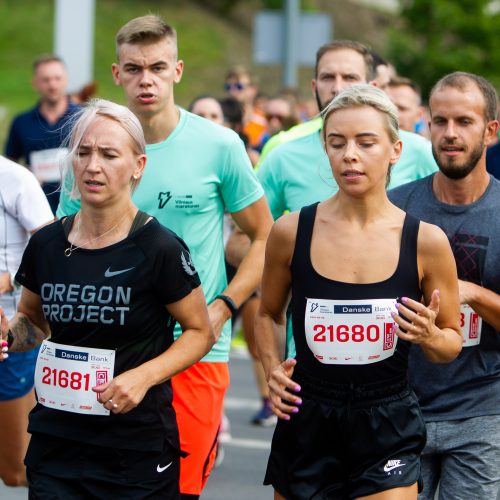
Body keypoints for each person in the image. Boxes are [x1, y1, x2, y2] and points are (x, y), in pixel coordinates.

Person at [57, 15, 273, 499]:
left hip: (192, 348)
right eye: (133, 69)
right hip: (104, 348)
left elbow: (265, 236)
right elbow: (64, 245)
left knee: (176, 490)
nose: (145, 80)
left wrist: (225, 306)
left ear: (177, 70)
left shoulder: (219, 145)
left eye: (157, 67)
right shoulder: (92, 148)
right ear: (117, 74)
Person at [0, 98, 215, 499]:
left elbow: (200, 332)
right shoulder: (47, 243)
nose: (92, 166)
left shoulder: (160, 247)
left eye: (108, 154)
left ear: (138, 166)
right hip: (57, 442)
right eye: (83, 152)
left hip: (132, 447)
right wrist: (7, 338)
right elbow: (34, 323)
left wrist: (143, 376)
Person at [255, 84, 462, 500]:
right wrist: (271, 369)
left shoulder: (426, 241)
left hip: (387, 420)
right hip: (308, 413)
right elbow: (268, 313)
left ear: (395, 150)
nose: (350, 154)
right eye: (337, 142)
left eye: (366, 142)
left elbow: (451, 343)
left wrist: (430, 336)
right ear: (325, 150)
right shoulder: (291, 231)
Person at [389, 72, 500, 500]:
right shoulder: (397, 207)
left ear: (490, 130)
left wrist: (468, 292)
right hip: (400, 406)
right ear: (426, 126)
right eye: (440, 122)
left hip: (481, 410)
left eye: (464, 121)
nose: (450, 134)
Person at [0, 156, 53, 486]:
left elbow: (53, 252)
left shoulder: (14, 179)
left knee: (15, 470)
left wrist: (10, 280)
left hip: (11, 336)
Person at [5, 55, 80, 214]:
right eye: (46, 80)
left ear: (66, 80)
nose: (52, 85)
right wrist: (25, 174)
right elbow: (9, 165)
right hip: (34, 208)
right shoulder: (21, 122)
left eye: (57, 78)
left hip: (77, 207)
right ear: (35, 83)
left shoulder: (84, 118)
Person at [224, 65, 267, 149]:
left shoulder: (265, 121)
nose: (232, 91)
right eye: (228, 87)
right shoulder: (219, 117)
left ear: (253, 89)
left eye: (238, 86)